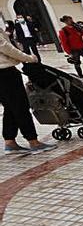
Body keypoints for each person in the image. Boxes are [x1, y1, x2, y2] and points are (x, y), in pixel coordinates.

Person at [0, 25, 55, 155]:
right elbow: (6, 47)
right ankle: (33, 141)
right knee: (20, 106)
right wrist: (28, 58)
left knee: (10, 107)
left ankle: (10, 141)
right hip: (5, 73)